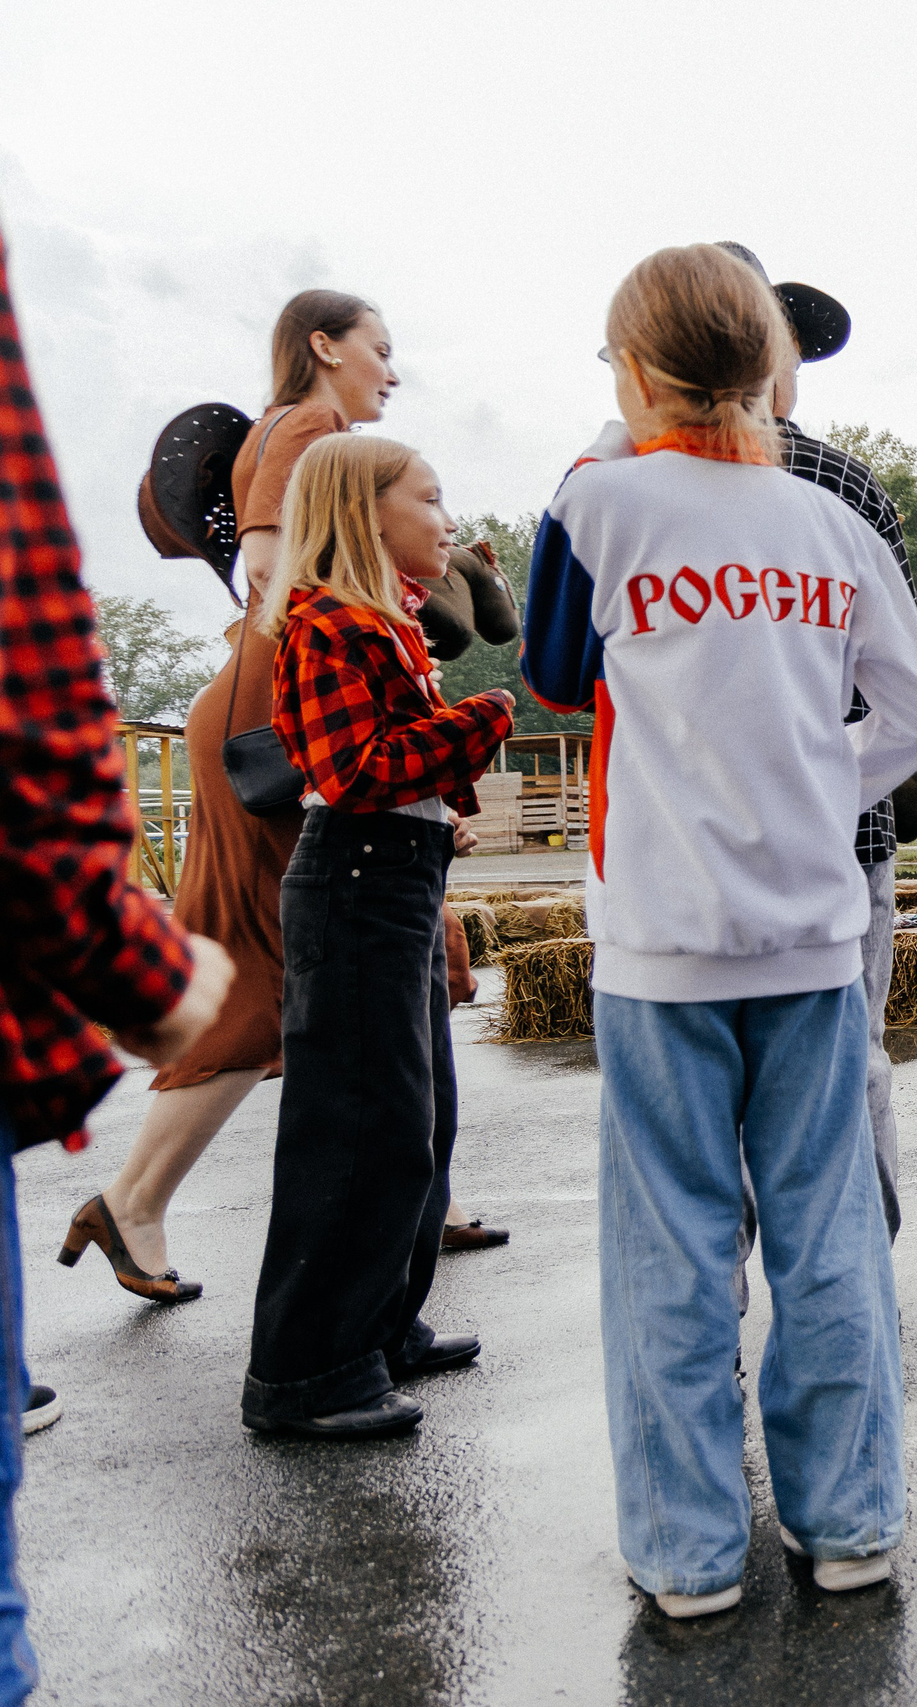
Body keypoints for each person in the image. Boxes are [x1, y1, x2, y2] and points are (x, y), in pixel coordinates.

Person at [523, 244, 917, 1618]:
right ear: (773, 367)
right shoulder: (837, 527)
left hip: (660, 938)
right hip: (815, 931)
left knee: (672, 1242)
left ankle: (693, 1550)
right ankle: (853, 1519)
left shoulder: (602, 501)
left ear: (634, 372)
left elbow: (551, 669)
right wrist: (825, 783)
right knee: (828, 1228)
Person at [1, 234, 238, 1705]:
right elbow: (26, 662)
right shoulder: (289, 457)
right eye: (377, 340)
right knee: (249, 1020)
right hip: (288, 810)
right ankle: (135, 1193)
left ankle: (134, 1196)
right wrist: (122, 952)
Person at [62, 291, 397, 1303]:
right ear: (323, 345)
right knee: (284, 970)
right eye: (381, 347)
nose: (392, 368)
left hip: (261, 717)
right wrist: (285, 752)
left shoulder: (307, 433)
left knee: (355, 958)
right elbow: (266, 574)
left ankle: (414, 1196)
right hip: (272, 727)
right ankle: (135, 1201)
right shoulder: (309, 425)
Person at [239, 435, 514, 1443]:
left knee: (416, 1120)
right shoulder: (327, 621)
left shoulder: (385, 621)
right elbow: (357, 768)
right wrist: (483, 719)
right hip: (356, 878)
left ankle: (378, 1326)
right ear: (365, 512)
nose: (447, 519)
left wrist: (442, 801)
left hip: (391, 875)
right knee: (359, 1125)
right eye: (429, 498)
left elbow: (393, 763)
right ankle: (305, 1371)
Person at [751, 240, 917, 1235]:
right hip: (838, 835)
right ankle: (854, 1290)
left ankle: (712, 1324)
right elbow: (908, 687)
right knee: (852, 1059)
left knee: (707, 1096)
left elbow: (565, 671)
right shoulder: (844, 486)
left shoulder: (623, 484)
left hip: (687, 850)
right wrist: (831, 784)